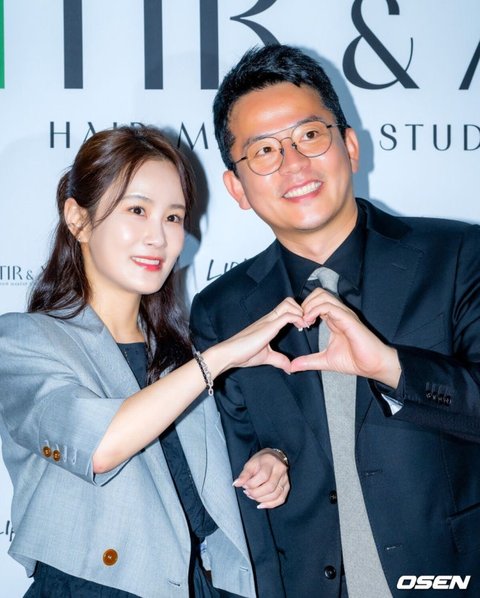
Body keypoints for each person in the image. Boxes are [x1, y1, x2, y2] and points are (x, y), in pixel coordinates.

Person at [189, 44, 480, 598]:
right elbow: (229, 464)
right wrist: (268, 461)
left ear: (349, 145)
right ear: (237, 188)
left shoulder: (459, 256)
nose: (293, 164)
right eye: (264, 151)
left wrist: (393, 368)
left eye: (309, 135)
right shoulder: (220, 312)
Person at [0, 125, 301, 598]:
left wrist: (269, 461)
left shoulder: (181, 355)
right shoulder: (24, 340)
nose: (158, 237)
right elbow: (99, 446)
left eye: (173, 217)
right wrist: (218, 359)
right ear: (78, 220)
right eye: (137, 210)